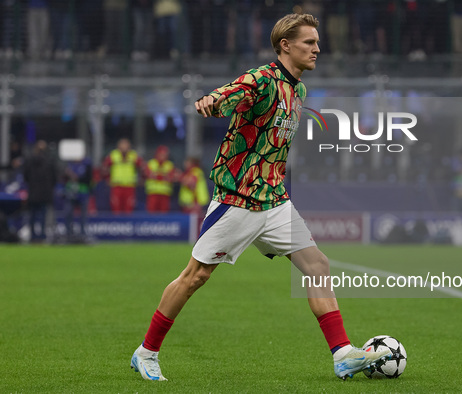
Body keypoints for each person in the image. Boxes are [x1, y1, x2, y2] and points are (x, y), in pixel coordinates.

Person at [130, 13, 392, 382]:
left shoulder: (298, 89)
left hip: (274, 200)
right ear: (286, 45)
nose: (318, 48)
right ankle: (146, 352)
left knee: (317, 265)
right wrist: (211, 100)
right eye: (309, 42)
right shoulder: (263, 79)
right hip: (238, 200)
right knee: (195, 276)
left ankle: (343, 354)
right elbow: (231, 92)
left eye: (317, 42)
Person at [23, 140, 57, 242]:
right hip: (45, 193)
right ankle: (42, 236)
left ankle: (33, 236)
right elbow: (54, 178)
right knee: (43, 216)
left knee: (32, 215)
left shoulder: (29, 161)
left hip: (33, 192)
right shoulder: (49, 161)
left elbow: (26, 176)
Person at [102, 138, 144, 214]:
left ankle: (128, 225)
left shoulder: (133, 155)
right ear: (118, 146)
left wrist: (140, 178)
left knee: (129, 208)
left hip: (129, 186)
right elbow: (104, 167)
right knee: (116, 208)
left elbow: (142, 167)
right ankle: (117, 225)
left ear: (129, 146)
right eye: (122, 145)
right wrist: (107, 178)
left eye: (126, 145)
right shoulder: (113, 155)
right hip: (117, 186)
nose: (124, 147)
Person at [63, 157, 93, 241]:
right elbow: (63, 178)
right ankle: (68, 234)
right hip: (71, 193)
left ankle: (83, 235)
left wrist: (75, 177)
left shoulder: (87, 165)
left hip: (83, 193)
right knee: (68, 214)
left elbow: (88, 179)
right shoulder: (69, 164)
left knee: (83, 216)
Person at [145, 145, 175, 213]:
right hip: (153, 193)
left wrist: (156, 175)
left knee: (163, 215)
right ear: (157, 154)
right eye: (161, 154)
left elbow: (171, 178)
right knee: (151, 214)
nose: (163, 156)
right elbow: (148, 174)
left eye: (165, 154)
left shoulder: (169, 165)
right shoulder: (151, 163)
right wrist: (163, 176)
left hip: (164, 193)